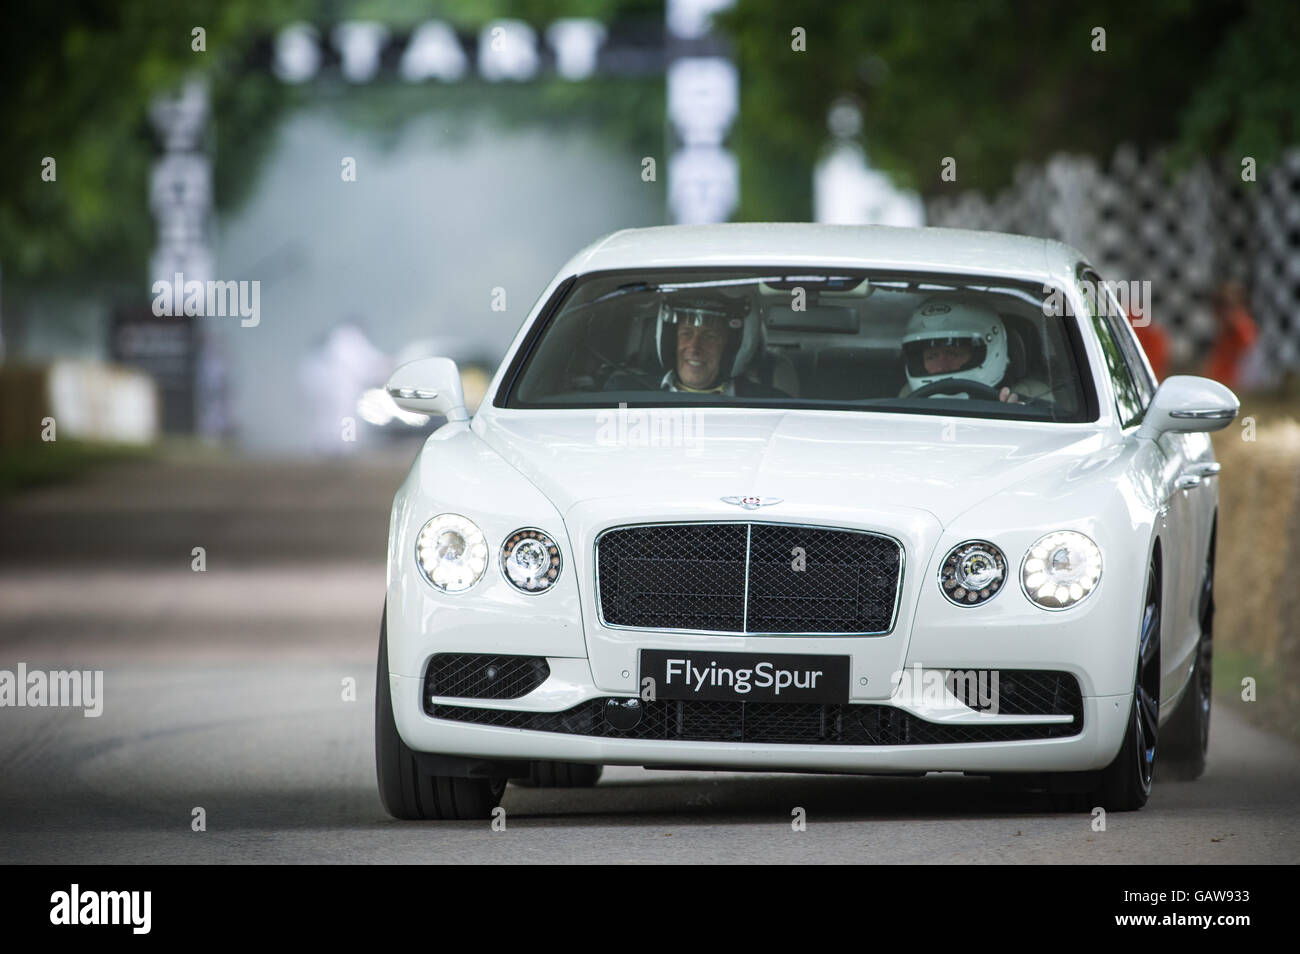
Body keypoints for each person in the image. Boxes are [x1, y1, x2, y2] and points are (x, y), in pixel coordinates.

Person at [606, 292, 786, 397]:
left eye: (710, 335)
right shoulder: (625, 394)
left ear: (731, 347)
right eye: (686, 333)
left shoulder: (768, 404)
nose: (694, 347)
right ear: (670, 341)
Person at [898, 297, 1048, 403]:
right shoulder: (909, 399)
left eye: (953, 354)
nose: (941, 365)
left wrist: (1014, 415)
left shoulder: (1032, 396)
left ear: (992, 351)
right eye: (931, 357)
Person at [1203, 279, 1259, 391]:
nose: (1222, 311)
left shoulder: (1242, 326)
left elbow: (1249, 361)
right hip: (1219, 384)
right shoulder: (1223, 331)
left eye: (1227, 305)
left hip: (1235, 387)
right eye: (1220, 304)